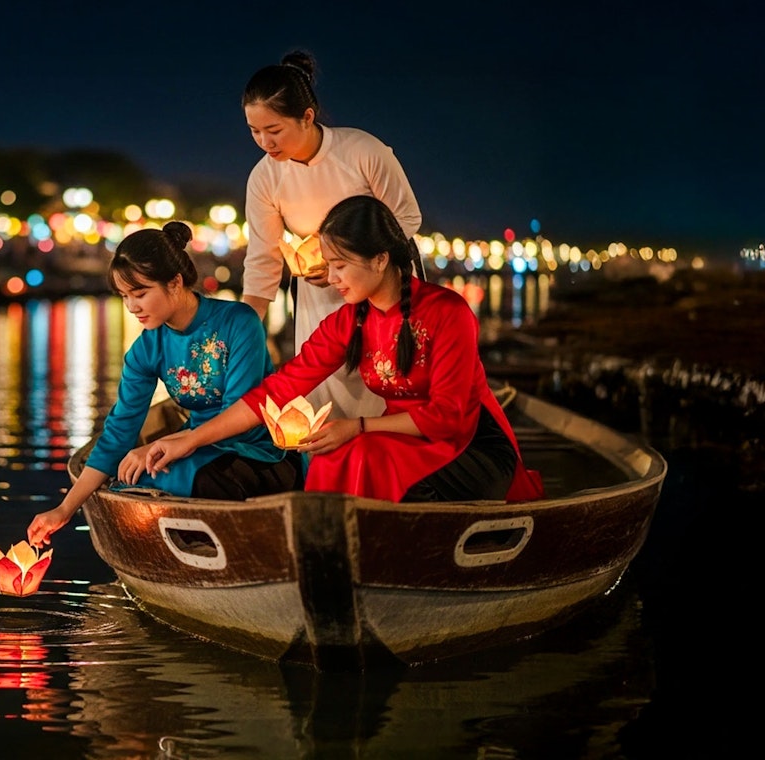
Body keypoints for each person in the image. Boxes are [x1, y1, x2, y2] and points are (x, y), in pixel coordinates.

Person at [146, 196, 544, 504]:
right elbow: (276, 390)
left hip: (470, 444)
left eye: (339, 265)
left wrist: (359, 426)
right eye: (328, 264)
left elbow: (449, 416)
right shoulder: (350, 320)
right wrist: (192, 440)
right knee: (333, 456)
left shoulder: (447, 312)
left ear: (380, 259)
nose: (328, 278)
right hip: (403, 440)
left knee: (362, 452)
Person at [27, 221, 298, 547]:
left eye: (140, 293)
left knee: (190, 477)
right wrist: (65, 508)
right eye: (125, 296)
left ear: (175, 282)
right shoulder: (146, 349)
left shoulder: (239, 323)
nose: (132, 307)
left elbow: (241, 412)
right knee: (129, 480)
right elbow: (118, 433)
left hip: (256, 451)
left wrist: (171, 443)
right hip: (194, 449)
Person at [241, 49, 422, 421]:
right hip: (318, 296)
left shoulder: (362, 151)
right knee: (325, 391)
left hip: (385, 288)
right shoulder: (264, 177)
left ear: (307, 117)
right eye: (254, 131)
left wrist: (346, 261)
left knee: (393, 380)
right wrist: (242, 331)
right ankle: (331, 472)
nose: (264, 142)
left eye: (274, 130)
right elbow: (263, 259)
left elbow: (406, 217)